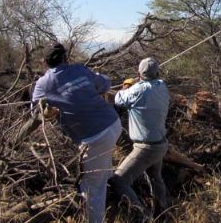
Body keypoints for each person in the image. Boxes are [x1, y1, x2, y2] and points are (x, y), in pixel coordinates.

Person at [31, 43, 120, 223]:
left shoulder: (43, 84)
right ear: (66, 58)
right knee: (101, 167)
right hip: (113, 124)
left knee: (91, 188)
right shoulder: (79, 69)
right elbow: (105, 84)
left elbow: (34, 112)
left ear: (45, 63)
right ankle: (109, 181)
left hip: (95, 137)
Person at [111, 57, 170, 214]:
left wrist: (126, 86)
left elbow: (118, 99)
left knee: (119, 181)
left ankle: (142, 216)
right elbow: (149, 85)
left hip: (145, 147)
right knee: (155, 178)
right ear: (158, 72)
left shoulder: (138, 90)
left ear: (139, 73)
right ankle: (163, 212)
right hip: (161, 144)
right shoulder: (162, 86)